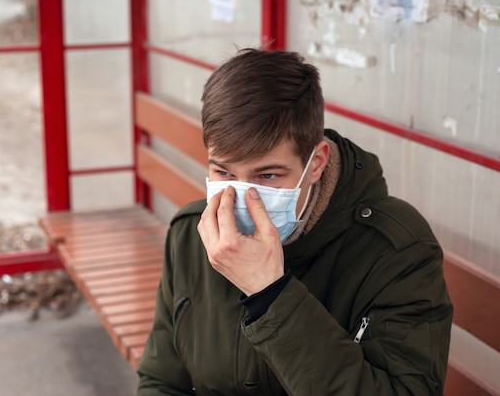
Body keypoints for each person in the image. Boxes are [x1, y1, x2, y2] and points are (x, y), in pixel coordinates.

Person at [136, 47, 453, 395]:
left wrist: (271, 295)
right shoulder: (190, 235)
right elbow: (162, 380)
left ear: (316, 163)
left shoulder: (397, 251)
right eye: (224, 172)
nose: (242, 198)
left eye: (268, 175)